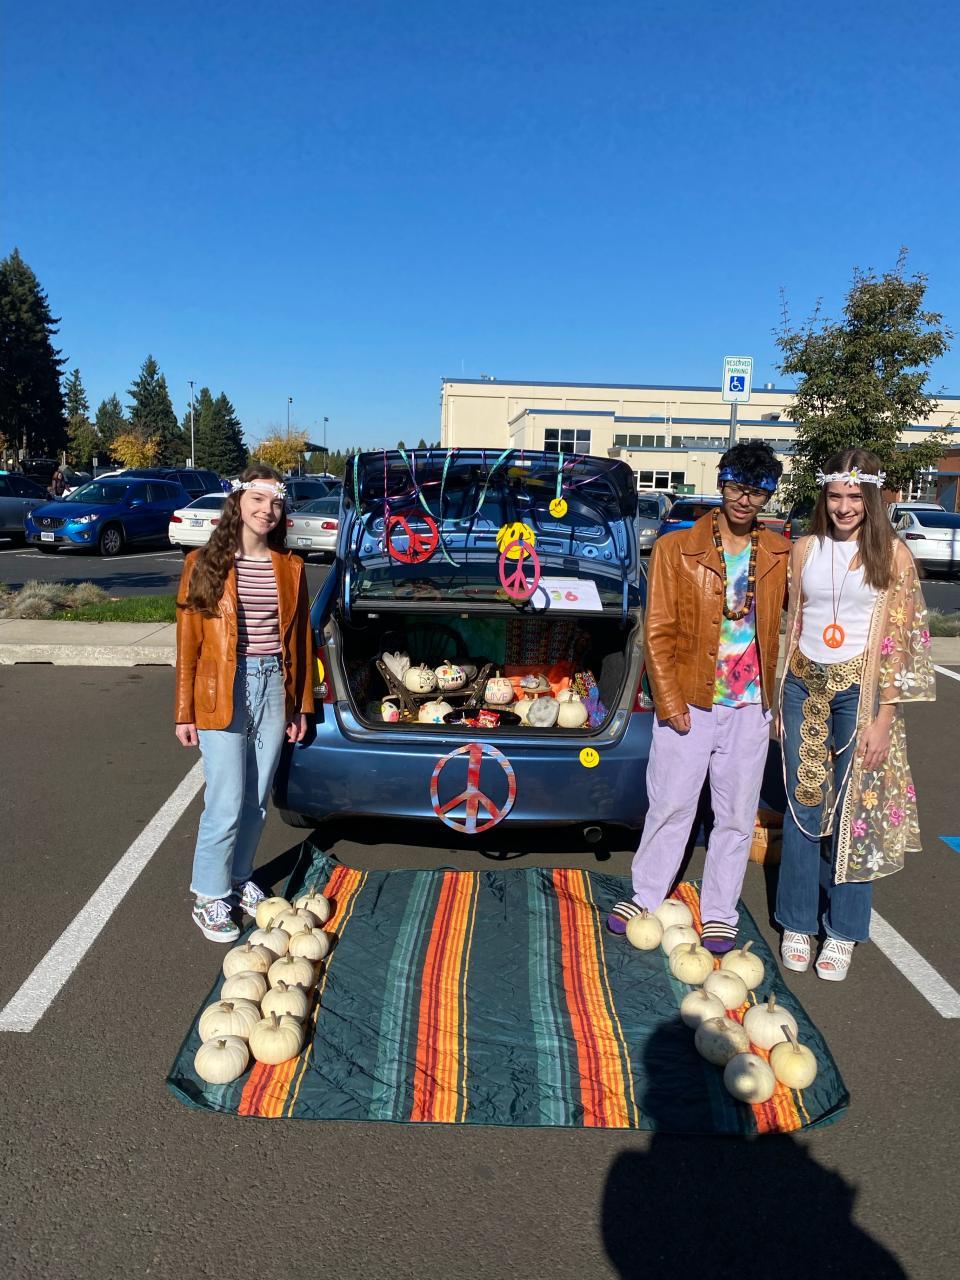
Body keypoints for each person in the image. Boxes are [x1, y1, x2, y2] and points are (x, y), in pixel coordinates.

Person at [608, 442, 789, 952]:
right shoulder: (676, 549)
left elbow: (800, 620)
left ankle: (719, 911)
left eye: (756, 493)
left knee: (735, 815)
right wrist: (668, 701)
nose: (744, 500)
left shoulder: (780, 553)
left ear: (767, 497)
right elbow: (658, 630)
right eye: (736, 488)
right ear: (722, 484)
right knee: (670, 803)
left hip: (750, 707)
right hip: (689, 699)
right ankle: (646, 894)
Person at [776, 448, 934, 981]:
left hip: (859, 693)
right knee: (802, 802)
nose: (844, 507)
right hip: (803, 684)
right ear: (824, 496)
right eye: (835, 496)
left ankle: (842, 930)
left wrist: (884, 717)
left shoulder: (893, 555)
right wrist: (780, 693)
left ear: (871, 499)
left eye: (854, 497)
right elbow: (796, 622)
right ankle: (797, 922)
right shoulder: (804, 549)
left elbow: (899, 642)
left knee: (855, 807)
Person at [175, 463, 314, 941]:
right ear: (238, 502)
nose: (267, 510)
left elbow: (301, 640)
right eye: (258, 499)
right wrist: (184, 711)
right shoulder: (202, 563)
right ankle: (209, 895)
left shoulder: (290, 567)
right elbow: (188, 643)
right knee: (227, 797)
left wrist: (301, 704)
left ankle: (238, 877)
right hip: (221, 687)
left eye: (276, 503)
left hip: (274, 683)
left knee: (256, 798)